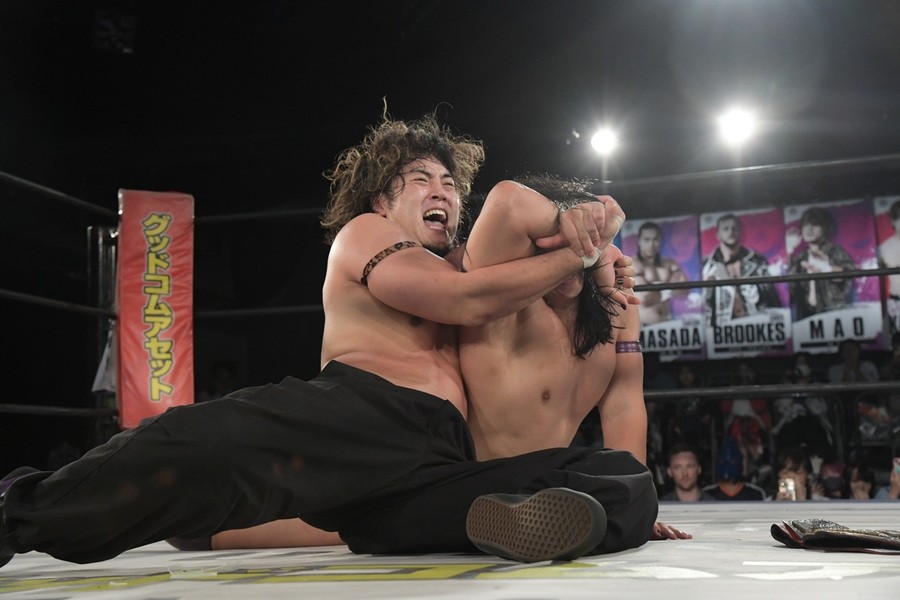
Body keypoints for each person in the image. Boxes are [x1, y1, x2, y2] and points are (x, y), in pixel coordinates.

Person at [0, 112, 657, 568]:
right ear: (382, 199)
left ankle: (497, 517)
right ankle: (15, 513)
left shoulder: (467, 263)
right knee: (196, 448)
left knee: (623, 480)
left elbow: (515, 255)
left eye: (450, 184)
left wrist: (598, 258)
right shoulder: (367, 235)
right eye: (421, 179)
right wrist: (583, 250)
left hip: (435, 463)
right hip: (368, 411)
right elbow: (469, 295)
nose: (442, 191)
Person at [702, 213, 781, 326]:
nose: (731, 232)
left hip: (757, 326)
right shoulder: (706, 266)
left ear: (740, 232)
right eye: (726, 229)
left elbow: (772, 298)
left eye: (734, 228)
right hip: (722, 329)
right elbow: (703, 305)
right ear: (718, 235)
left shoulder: (757, 261)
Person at [788, 206, 856, 320]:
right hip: (806, 316)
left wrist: (826, 268)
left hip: (833, 314)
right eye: (806, 224)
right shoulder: (801, 256)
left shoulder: (835, 251)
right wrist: (789, 250)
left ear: (825, 227)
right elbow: (791, 287)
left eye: (814, 224)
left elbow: (848, 274)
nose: (809, 229)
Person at [632, 221, 688, 325]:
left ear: (660, 240)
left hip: (667, 322)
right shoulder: (633, 264)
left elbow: (685, 289)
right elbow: (646, 297)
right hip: (643, 326)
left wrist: (658, 290)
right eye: (647, 239)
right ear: (639, 241)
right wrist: (669, 288)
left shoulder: (669, 263)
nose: (651, 244)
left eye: (655, 239)